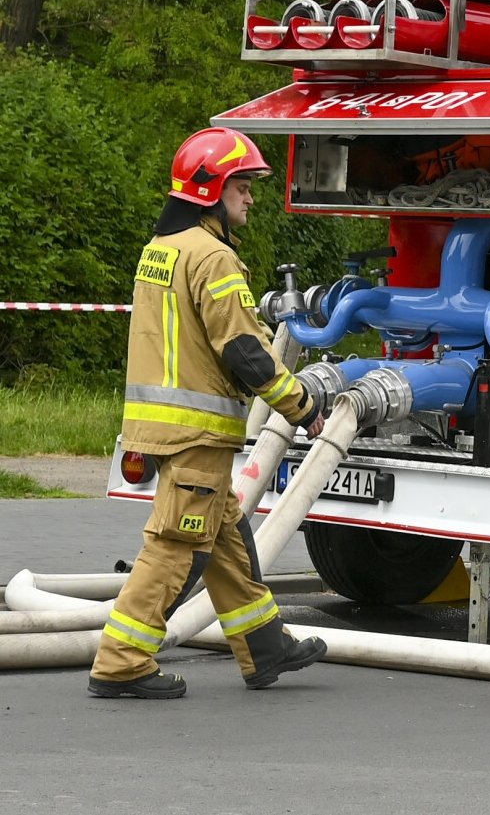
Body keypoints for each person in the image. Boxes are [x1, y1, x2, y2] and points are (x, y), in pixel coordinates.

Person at [88, 127, 328, 699]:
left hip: (168, 424)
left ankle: (264, 645)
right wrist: (301, 407)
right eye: (242, 185)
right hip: (197, 431)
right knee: (175, 547)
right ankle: (121, 661)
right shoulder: (214, 257)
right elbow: (243, 350)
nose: (250, 196)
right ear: (211, 190)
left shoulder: (163, 249)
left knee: (225, 538)